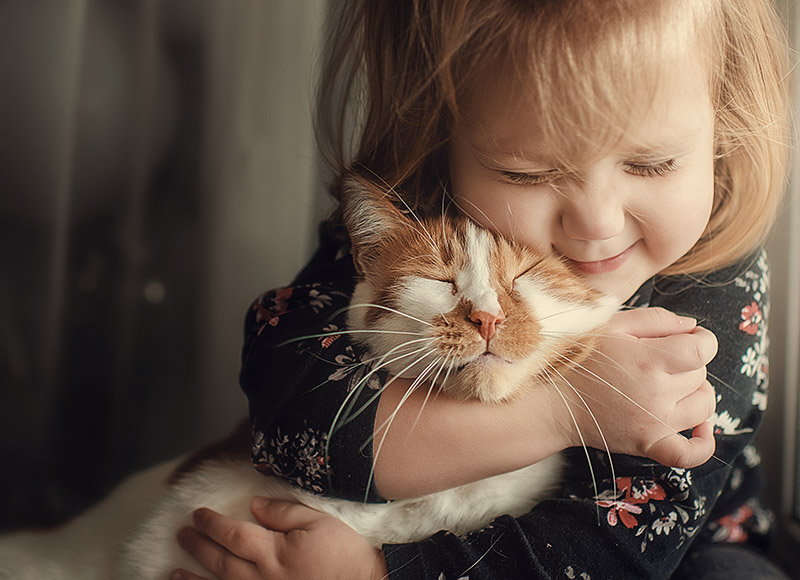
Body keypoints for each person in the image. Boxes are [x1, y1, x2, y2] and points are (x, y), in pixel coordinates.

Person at [169, 0, 792, 578]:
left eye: (651, 164)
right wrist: (560, 411)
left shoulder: (717, 277)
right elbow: (293, 423)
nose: (597, 224)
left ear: (723, 134)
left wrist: (378, 573)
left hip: (689, 555)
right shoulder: (415, 226)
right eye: (528, 173)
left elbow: (622, 546)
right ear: (441, 137)